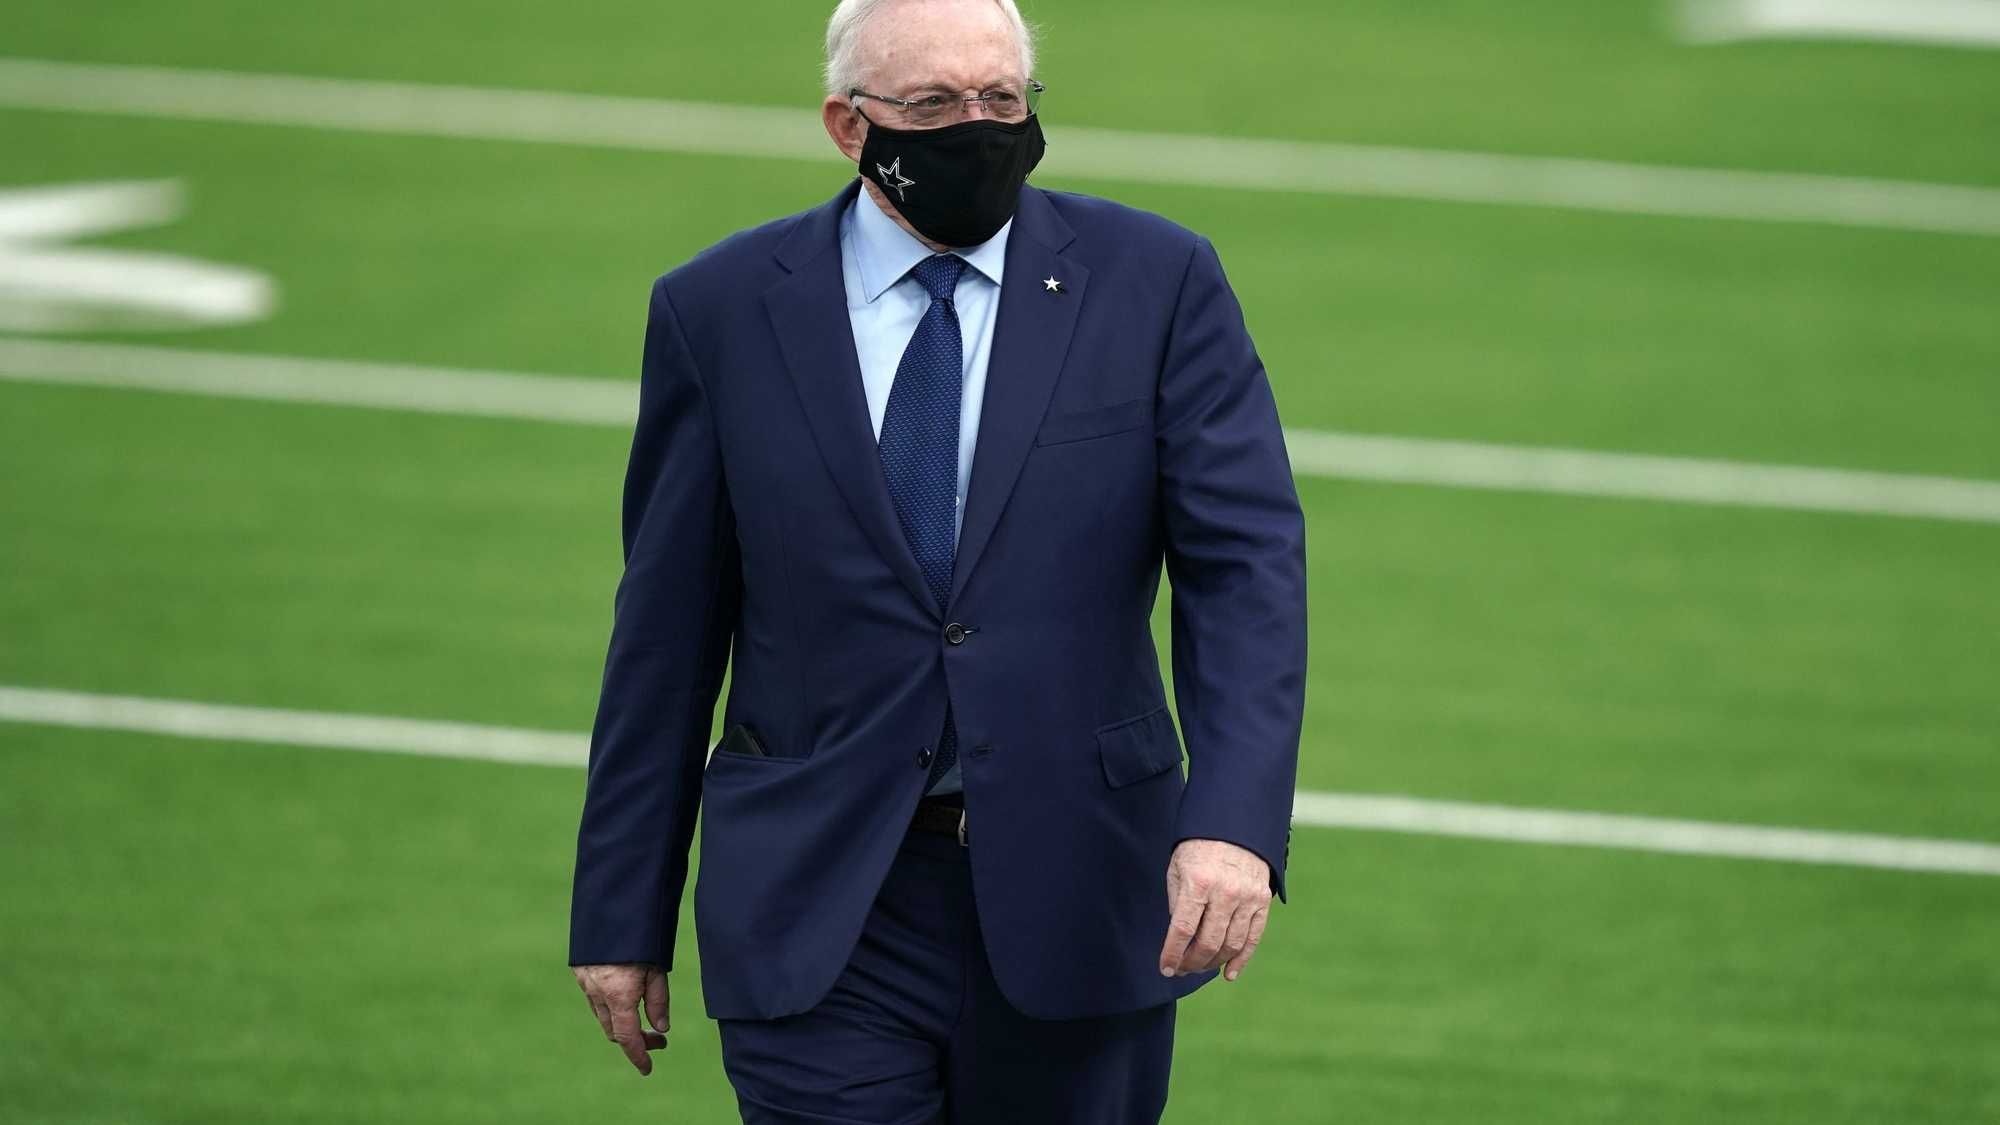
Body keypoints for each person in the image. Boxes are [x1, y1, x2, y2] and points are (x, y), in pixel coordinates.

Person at [568, 0, 1307, 1120]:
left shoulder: (1156, 282)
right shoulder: (717, 310)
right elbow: (665, 633)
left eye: (1001, 99)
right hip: (818, 904)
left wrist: (1233, 822)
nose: (977, 127)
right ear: (847, 125)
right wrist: (622, 909)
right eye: (932, 104)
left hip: (1080, 895)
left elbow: (1245, 571)